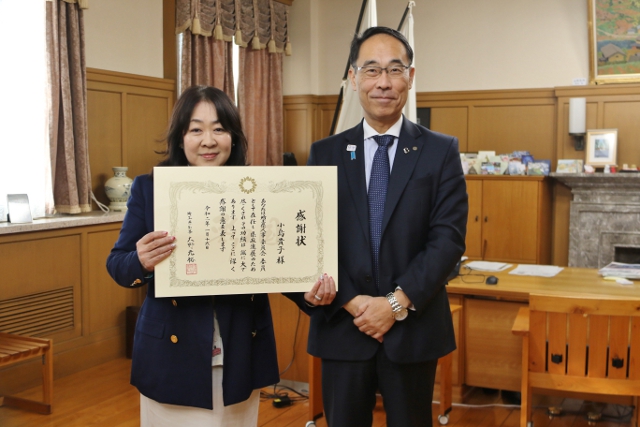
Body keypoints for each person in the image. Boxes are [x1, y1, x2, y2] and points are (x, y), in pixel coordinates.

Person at [106, 85, 335, 426]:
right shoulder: (150, 189)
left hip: (241, 347)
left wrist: (311, 294)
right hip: (172, 352)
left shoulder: (259, 188)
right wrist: (140, 260)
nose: (208, 140)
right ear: (180, 137)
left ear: (233, 136)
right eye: (196, 129)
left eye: (219, 128)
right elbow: (119, 267)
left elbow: (275, 263)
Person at [292, 27, 468, 427]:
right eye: (371, 70)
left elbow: (448, 240)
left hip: (412, 330)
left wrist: (393, 305)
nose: (383, 82)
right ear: (354, 79)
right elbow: (315, 241)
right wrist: (355, 303)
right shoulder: (325, 153)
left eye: (395, 70)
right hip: (343, 325)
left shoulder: (440, 151)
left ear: (411, 77)